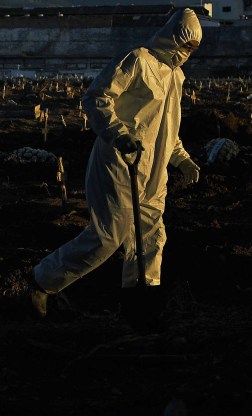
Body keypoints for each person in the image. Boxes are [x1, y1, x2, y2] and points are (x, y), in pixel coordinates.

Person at [30, 8, 202, 317]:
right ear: (173, 37)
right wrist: (117, 134)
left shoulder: (176, 77)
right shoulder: (137, 61)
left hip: (154, 171)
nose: (185, 53)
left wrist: (183, 160)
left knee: (150, 239)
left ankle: (140, 306)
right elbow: (97, 98)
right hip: (120, 164)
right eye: (184, 45)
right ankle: (42, 281)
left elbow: (167, 129)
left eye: (191, 49)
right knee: (108, 237)